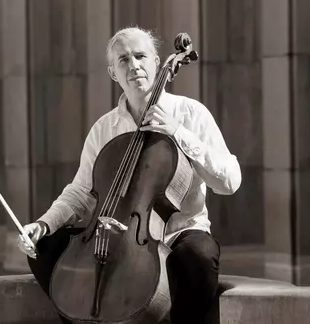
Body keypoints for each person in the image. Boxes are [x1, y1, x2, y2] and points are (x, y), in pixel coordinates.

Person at [17, 26, 242, 324]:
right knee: (43, 249)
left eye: (140, 56)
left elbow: (229, 181)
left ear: (156, 62)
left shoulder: (191, 114)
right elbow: (80, 191)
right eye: (123, 60)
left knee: (198, 255)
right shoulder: (104, 128)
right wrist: (43, 224)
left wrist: (177, 132)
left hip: (178, 234)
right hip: (114, 235)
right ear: (113, 73)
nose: (133, 65)